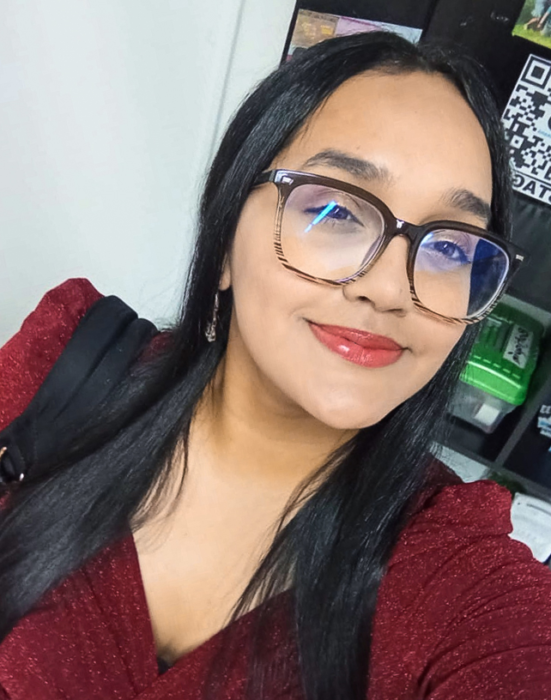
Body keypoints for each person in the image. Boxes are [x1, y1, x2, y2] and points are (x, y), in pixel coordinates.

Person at [0, 30, 550, 700]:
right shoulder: (63, 365)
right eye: (335, 210)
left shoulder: (453, 576)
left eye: (452, 249)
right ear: (225, 242)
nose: (388, 289)